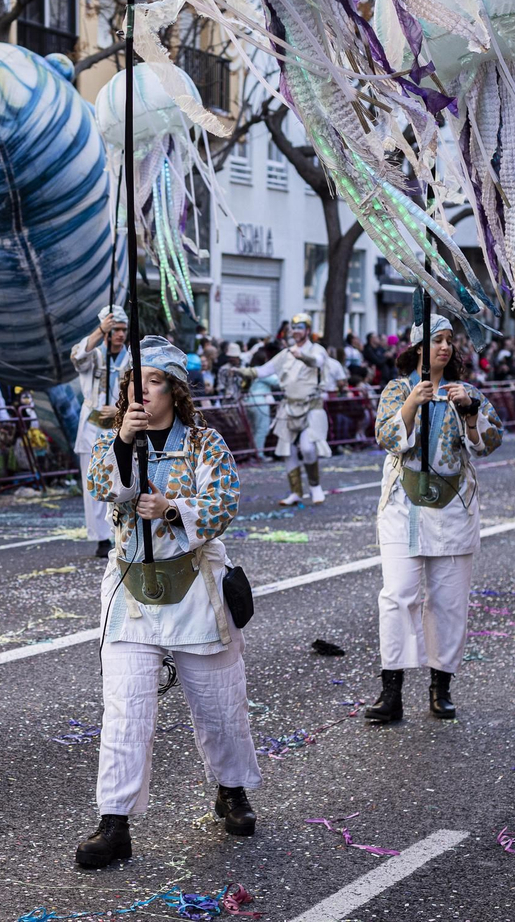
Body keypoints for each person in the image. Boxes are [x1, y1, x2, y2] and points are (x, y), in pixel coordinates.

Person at [77, 335, 259, 869]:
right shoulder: (116, 438)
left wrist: (174, 509)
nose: (142, 393)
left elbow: (224, 501)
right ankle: (115, 822)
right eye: (133, 383)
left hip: (196, 588)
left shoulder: (205, 443)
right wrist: (120, 446)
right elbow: (102, 488)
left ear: (175, 390)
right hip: (131, 589)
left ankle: (231, 790)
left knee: (220, 705)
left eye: (153, 382)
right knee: (126, 710)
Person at [364, 315, 504, 723]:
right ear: (418, 349)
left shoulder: (468, 392)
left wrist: (471, 412)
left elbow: (491, 442)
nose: (444, 346)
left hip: (453, 508)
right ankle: (391, 691)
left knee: (448, 601)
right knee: (397, 595)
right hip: (403, 507)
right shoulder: (397, 390)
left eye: (449, 340)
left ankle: (440, 687)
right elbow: (386, 439)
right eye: (436, 340)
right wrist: (412, 403)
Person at [69, 308, 128, 556]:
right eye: (116, 329)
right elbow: (78, 356)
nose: (121, 335)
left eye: (124, 330)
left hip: (120, 427)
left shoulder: (131, 358)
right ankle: (102, 539)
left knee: (122, 481)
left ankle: (123, 532)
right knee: (92, 484)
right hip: (92, 427)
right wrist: (101, 329)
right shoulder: (94, 355)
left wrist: (119, 410)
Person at [258, 313, 330, 506]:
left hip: (311, 407)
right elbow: (265, 370)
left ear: (307, 330)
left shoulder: (317, 349)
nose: (296, 332)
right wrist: (241, 371)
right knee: (287, 450)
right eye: (294, 328)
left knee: (307, 447)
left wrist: (303, 356)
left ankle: (315, 488)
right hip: (288, 407)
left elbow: (317, 362)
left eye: (300, 328)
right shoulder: (286, 353)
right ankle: (295, 493)